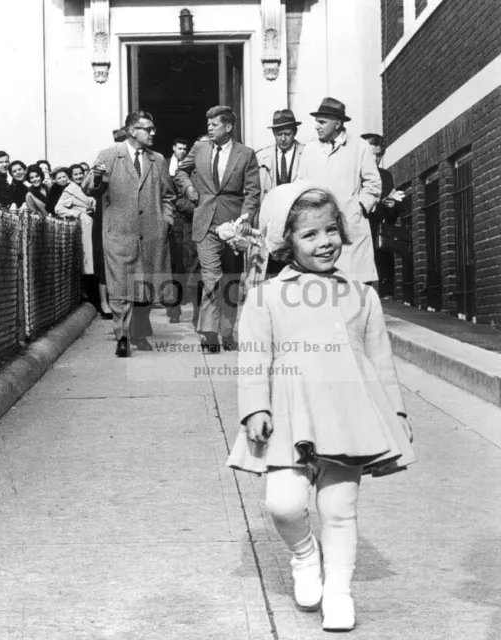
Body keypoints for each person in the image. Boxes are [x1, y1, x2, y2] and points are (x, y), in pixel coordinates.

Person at [227, 181, 415, 632]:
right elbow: (254, 357)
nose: (324, 241)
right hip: (289, 411)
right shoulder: (266, 295)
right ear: (286, 241)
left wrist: (398, 414)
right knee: (284, 505)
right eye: (309, 234)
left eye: (331, 230)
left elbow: (380, 360)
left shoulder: (362, 295)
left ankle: (339, 594)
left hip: (349, 416)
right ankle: (304, 555)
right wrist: (255, 407)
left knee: (339, 509)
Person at [82, 109, 176, 357]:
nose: (153, 133)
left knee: (144, 287)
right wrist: (96, 177)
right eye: (148, 129)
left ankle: (140, 333)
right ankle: (122, 337)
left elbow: (168, 195)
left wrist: (166, 220)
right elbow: (90, 189)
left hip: (152, 234)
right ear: (133, 131)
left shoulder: (158, 160)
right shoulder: (110, 155)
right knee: (121, 286)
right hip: (119, 234)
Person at [175, 105, 261, 353]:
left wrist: (245, 218)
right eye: (208, 124)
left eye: (214, 124)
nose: (209, 128)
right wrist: (189, 189)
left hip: (233, 225)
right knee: (211, 278)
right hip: (205, 223)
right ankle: (209, 334)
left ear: (229, 127)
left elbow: (253, 191)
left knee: (231, 280)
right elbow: (181, 171)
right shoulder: (200, 149)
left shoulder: (245, 154)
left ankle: (227, 332)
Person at [298, 97, 381, 285]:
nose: (317, 126)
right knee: (322, 283)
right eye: (317, 122)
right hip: (318, 221)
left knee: (354, 284)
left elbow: (373, 183)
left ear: (337, 123)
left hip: (351, 223)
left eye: (322, 122)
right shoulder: (310, 149)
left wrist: (359, 207)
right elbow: (301, 184)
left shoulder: (360, 146)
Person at [247, 109, 305, 288]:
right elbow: (253, 192)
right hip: (270, 221)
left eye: (287, 134)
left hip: (296, 219)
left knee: (296, 266)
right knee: (268, 269)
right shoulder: (260, 156)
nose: (283, 139)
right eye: (279, 134)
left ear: (294, 132)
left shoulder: (307, 154)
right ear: (273, 134)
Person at [361, 133, 405, 297]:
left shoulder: (385, 176)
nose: (374, 160)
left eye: (378, 155)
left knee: (380, 292)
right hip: (356, 238)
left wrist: (392, 205)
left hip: (377, 239)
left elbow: (392, 217)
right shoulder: (351, 175)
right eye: (370, 155)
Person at [55, 164, 95, 276]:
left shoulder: (88, 187)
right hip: (82, 226)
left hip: (92, 222)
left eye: (80, 173)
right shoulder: (70, 190)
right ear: (71, 177)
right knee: (85, 255)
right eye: (75, 174)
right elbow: (58, 209)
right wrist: (77, 213)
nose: (79, 176)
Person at [165, 137, 189, 324]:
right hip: (168, 220)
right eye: (179, 148)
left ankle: (181, 301)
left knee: (184, 263)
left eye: (184, 149)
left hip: (185, 221)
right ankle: (173, 307)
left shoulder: (189, 166)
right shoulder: (164, 165)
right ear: (173, 148)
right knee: (172, 264)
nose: (182, 151)